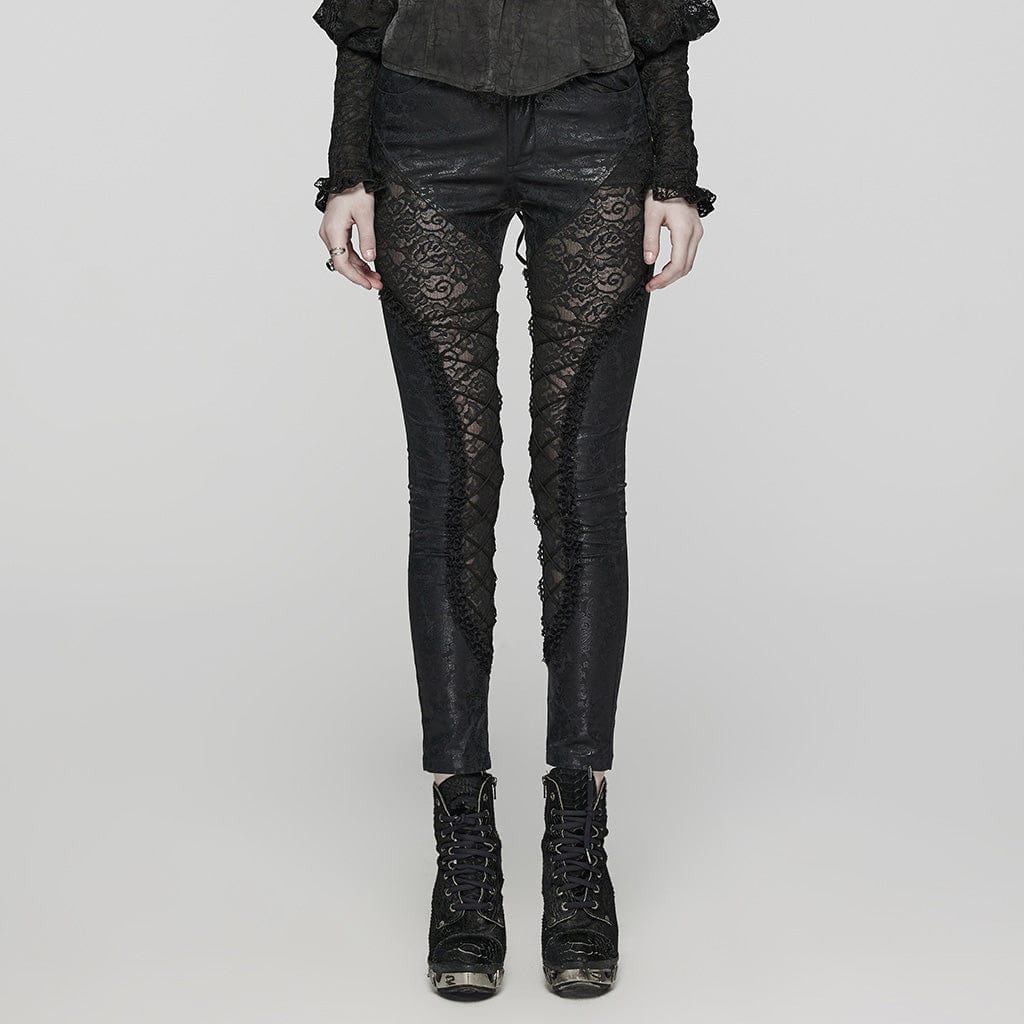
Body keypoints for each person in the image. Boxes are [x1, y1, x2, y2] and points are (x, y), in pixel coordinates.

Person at [311, 0, 720, 1000]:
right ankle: (464, 844)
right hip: (422, 121)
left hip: (595, 122)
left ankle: (577, 834)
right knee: (451, 484)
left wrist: (674, 173)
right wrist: (348, 167)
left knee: (580, 486)